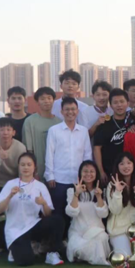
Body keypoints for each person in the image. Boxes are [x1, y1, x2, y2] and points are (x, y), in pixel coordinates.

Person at [0, 152, 64, 266]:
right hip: (16, 230)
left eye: (29, 164)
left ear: (34, 167)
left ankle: (51, 253)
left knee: (57, 220)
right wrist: (10, 196)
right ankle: (15, 250)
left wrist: (44, 203)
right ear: (18, 167)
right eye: (22, 165)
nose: (26, 167)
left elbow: (48, 214)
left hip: (33, 225)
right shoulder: (10, 184)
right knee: (26, 261)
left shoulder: (40, 186)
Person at [45, 97, 93, 228]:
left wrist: (87, 176)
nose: (70, 112)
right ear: (61, 112)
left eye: (73, 109)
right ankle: (60, 240)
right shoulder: (54, 130)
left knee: (77, 213)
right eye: (67, 109)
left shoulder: (83, 131)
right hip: (59, 179)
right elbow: (49, 154)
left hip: (78, 180)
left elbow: (87, 154)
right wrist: (50, 175)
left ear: (77, 111)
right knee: (59, 214)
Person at [0, 118, 27, 259]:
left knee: (18, 209)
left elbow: (23, 173)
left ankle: (16, 243)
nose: (5, 133)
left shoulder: (20, 147)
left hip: (13, 184)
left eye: (8, 129)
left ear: (13, 132)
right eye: (2, 130)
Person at [64, 160, 110, 265]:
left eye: (91, 171)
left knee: (101, 238)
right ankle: (88, 255)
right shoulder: (72, 190)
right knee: (77, 248)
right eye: (85, 171)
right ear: (80, 173)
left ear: (96, 173)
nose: (88, 174)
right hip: (78, 231)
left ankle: (87, 256)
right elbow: (72, 213)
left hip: (96, 231)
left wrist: (99, 197)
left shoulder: (101, 190)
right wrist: (76, 194)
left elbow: (103, 214)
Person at [106, 152, 135, 256]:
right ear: (117, 166)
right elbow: (115, 210)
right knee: (125, 257)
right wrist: (118, 192)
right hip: (118, 230)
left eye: (129, 163)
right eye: (122, 164)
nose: (126, 166)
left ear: (133, 164)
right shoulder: (111, 185)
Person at [93, 88, 135, 183]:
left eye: (122, 101)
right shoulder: (104, 124)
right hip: (109, 171)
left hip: (130, 171)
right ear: (111, 105)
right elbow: (97, 148)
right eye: (115, 102)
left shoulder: (134, 121)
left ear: (127, 103)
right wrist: (101, 171)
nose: (119, 105)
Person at [22, 87, 60, 181]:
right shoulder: (30, 121)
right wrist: (34, 171)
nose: (46, 101)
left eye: (49, 98)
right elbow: (28, 150)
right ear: (37, 102)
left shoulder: (59, 122)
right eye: (42, 99)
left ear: (53, 100)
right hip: (38, 170)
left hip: (57, 170)